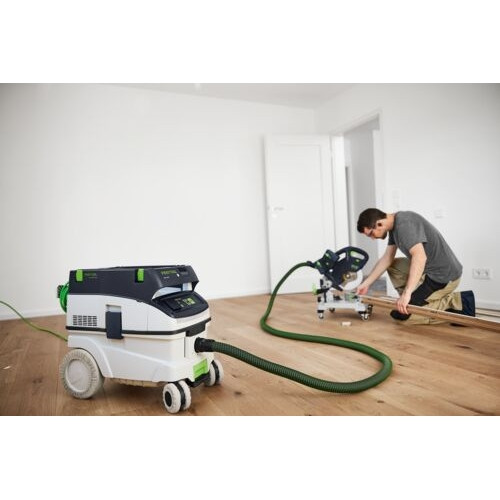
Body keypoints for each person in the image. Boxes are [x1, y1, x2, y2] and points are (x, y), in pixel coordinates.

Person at [355, 208, 475, 324]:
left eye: (371, 234)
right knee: (393, 265)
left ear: (379, 223)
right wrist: (366, 283)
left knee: (402, 317)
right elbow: (387, 259)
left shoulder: (404, 225)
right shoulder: (394, 227)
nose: (372, 238)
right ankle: (413, 298)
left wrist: (407, 293)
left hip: (442, 277)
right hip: (428, 271)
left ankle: (459, 302)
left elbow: (420, 257)